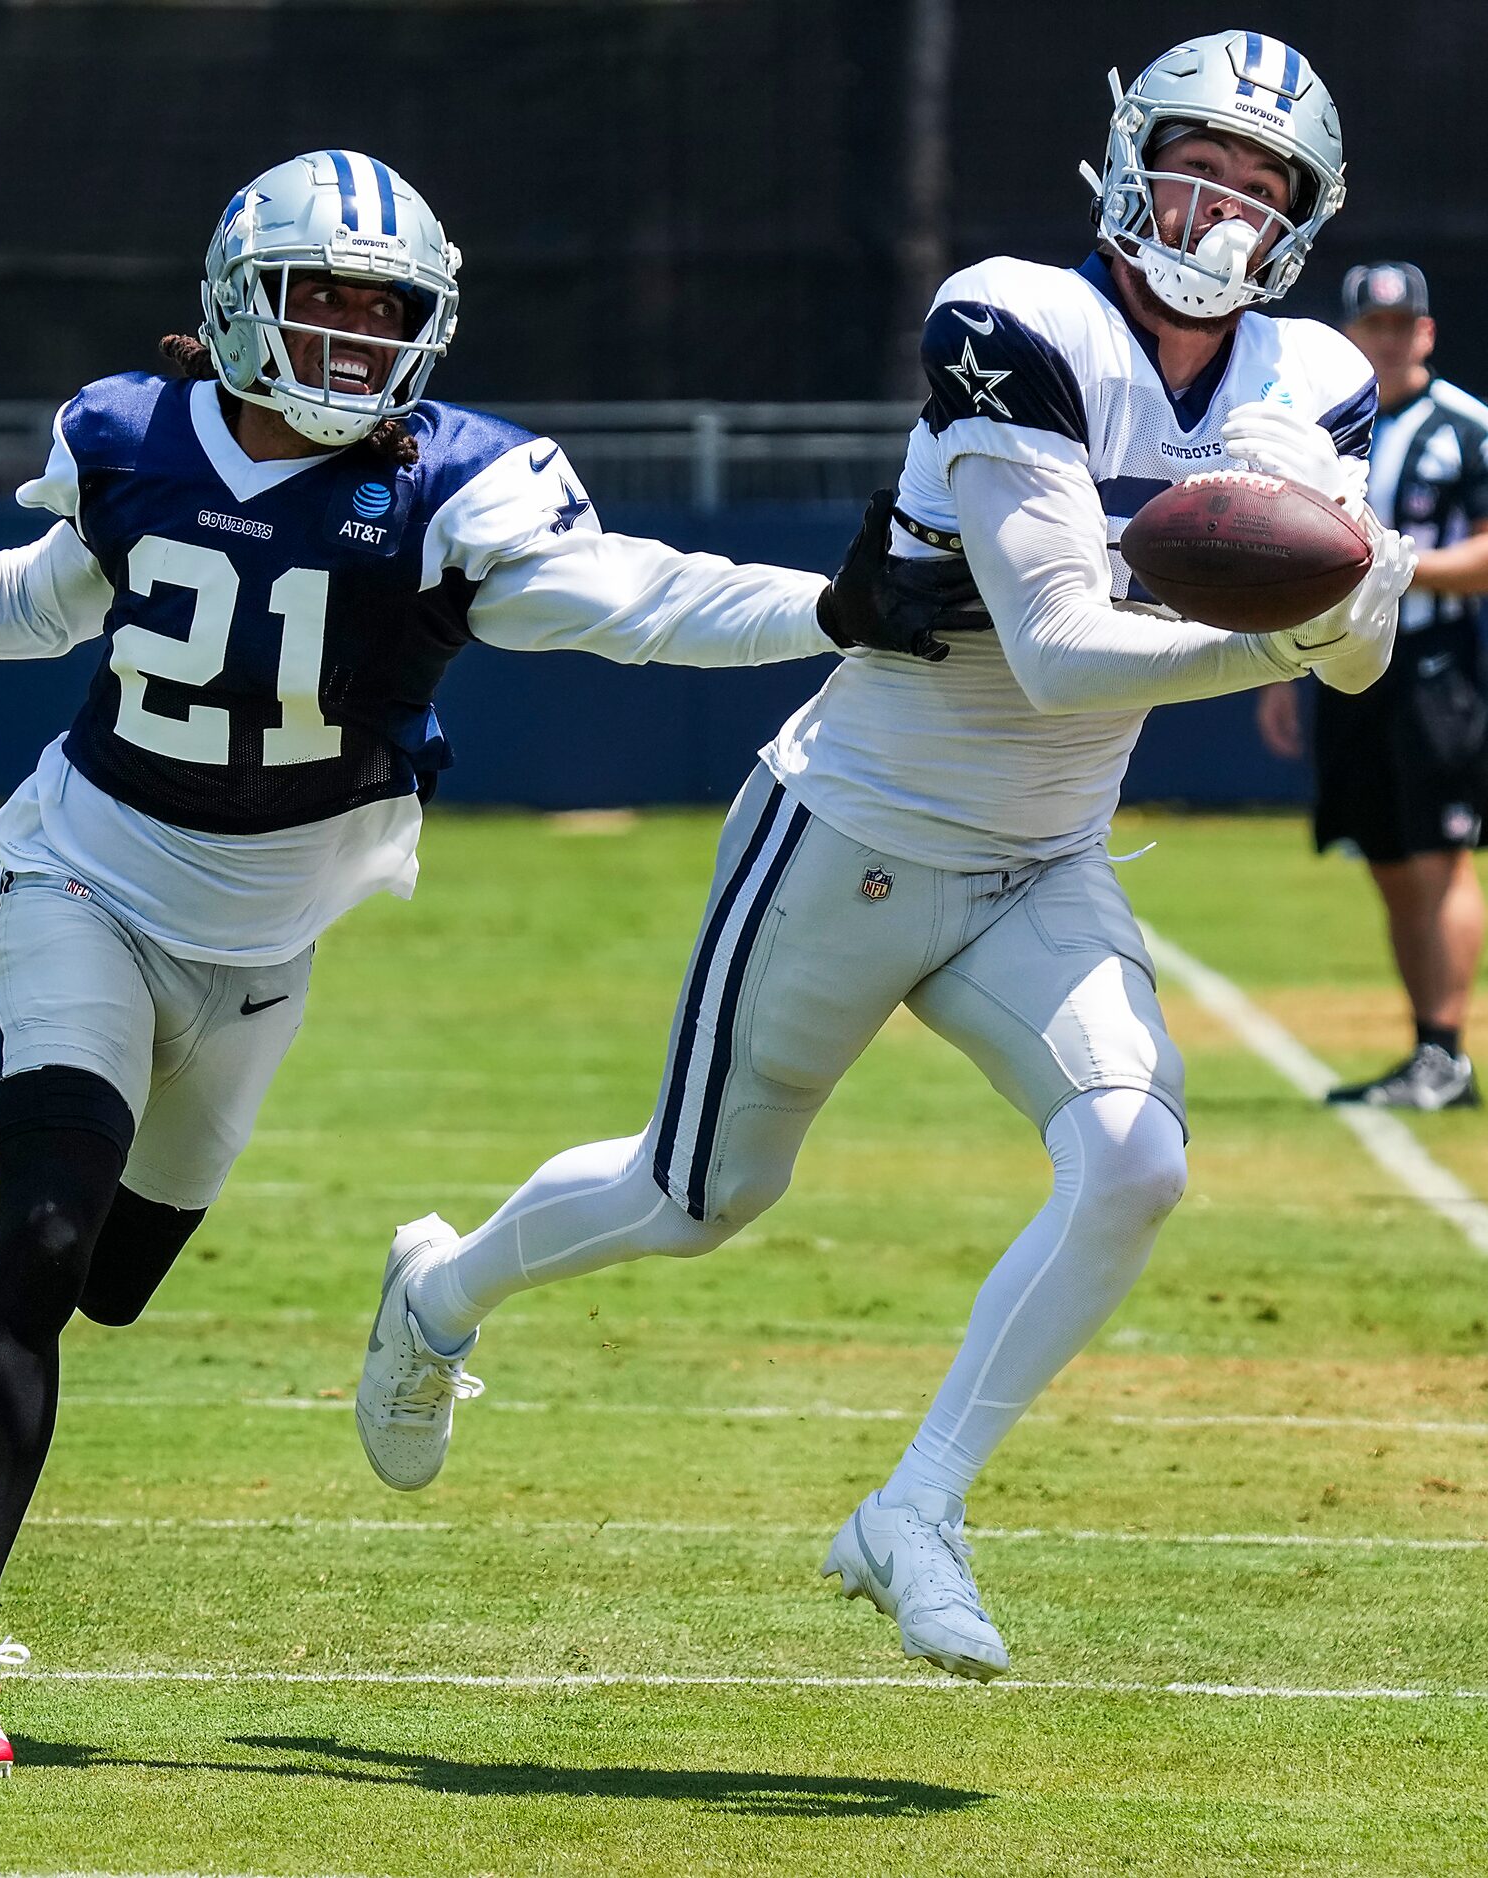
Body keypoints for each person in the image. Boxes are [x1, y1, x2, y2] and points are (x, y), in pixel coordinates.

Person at [0, 150, 907, 1776]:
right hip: (85, 875)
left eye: (381, 310)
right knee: (46, 1242)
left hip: (267, 945)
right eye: (318, 299)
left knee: (116, 1279)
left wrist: (823, 607)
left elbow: (638, 599)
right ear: (235, 299)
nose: (349, 338)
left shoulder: (455, 486)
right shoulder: (127, 432)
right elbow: (38, 600)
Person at [353, 33, 1417, 1683]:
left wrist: (1353, 606)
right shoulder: (1016, 319)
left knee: (1135, 1156)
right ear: (1130, 155)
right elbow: (1064, 649)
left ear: (1303, 215)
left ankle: (915, 1504)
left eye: (1258, 179)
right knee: (697, 1193)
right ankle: (440, 1295)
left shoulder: (1308, 383)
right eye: (1197, 158)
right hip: (855, 823)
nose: (1219, 200)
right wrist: (1302, 630)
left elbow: (1354, 658)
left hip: (1044, 858)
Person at [1257, 262, 1488, 1108]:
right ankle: (1427, 1050)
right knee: (1387, 860)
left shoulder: (1464, 428)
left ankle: (1446, 1052)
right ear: (1351, 335)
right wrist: (1277, 666)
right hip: (1346, 668)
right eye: (1373, 328)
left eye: (1402, 327)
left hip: (1432, 671)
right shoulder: (1322, 432)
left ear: (1424, 332)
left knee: (1439, 859)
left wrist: (1387, 571)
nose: (1387, 341)